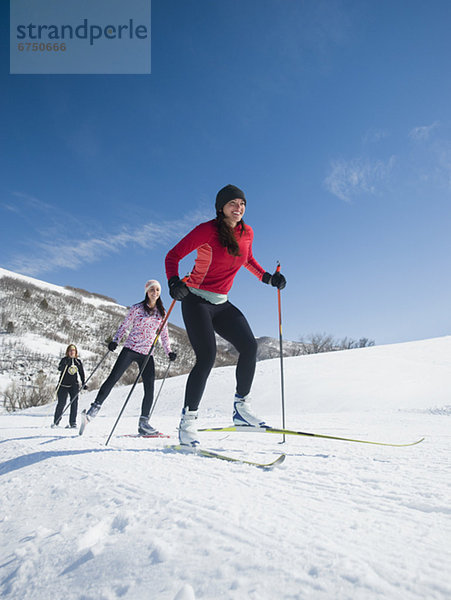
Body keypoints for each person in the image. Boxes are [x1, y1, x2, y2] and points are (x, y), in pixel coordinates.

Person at [165, 184, 286, 446]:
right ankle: (188, 423)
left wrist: (268, 278)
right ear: (221, 207)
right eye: (233, 203)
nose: (238, 208)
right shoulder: (206, 230)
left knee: (249, 346)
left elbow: (247, 260)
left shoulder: (247, 232)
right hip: (196, 300)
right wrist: (174, 282)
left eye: (242, 203)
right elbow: (173, 255)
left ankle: (241, 410)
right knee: (207, 357)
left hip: (222, 303)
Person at [80, 280, 177, 436]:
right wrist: (115, 341)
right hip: (131, 349)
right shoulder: (137, 308)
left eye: (158, 289)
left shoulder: (162, 313)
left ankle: (144, 423)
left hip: (147, 354)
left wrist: (169, 352)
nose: (155, 292)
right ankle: (92, 411)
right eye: (152, 289)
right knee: (113, 378)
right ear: (147, 291)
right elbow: (124, 326)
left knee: (149, 388)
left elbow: (164, 335)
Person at [52, 344, 86, 428]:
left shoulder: (78, 362)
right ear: (68, 352)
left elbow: (81, 373)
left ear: (75, 352)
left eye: (73, 350)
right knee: (61, 403)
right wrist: (64, 365)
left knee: (74, 403)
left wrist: (83, 383)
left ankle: (73, 422)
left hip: (74, 385)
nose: (72, 352)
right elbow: (59, 368)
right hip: (63, 385)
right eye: (70, 350)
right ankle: (56, 421)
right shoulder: (64, 360)